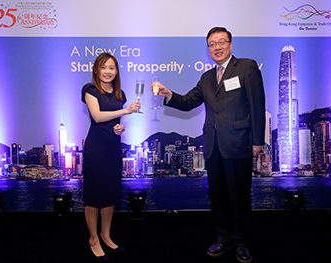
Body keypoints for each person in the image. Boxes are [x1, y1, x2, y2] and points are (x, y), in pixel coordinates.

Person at [153, 27, 265, 263]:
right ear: (208, 49)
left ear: (231, 45)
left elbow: (257, 104)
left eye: (221, 42)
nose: (217, 47)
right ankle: (223, 238)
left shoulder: (246, 67)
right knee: (218, 197)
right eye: (212, 44)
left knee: (240, 197)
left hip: (239, 143)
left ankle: (242, 242)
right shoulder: (206, 77)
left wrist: (257, 141)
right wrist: (168, 93)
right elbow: (188, 102)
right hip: (213, 146)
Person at [81, 52, 140, 262]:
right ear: (96, 70)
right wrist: (125, 111)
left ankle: (106, 235)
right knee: (94, 196)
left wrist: (120, 129)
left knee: (110, 194)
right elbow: (97, 116)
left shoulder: (119, 93)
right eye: (104, 67)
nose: (108, 72)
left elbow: (114, 122)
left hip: (113, 147)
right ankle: (94, 239)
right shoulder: (90, 90)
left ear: (117, 71)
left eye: (112, 68)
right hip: (96, 148)